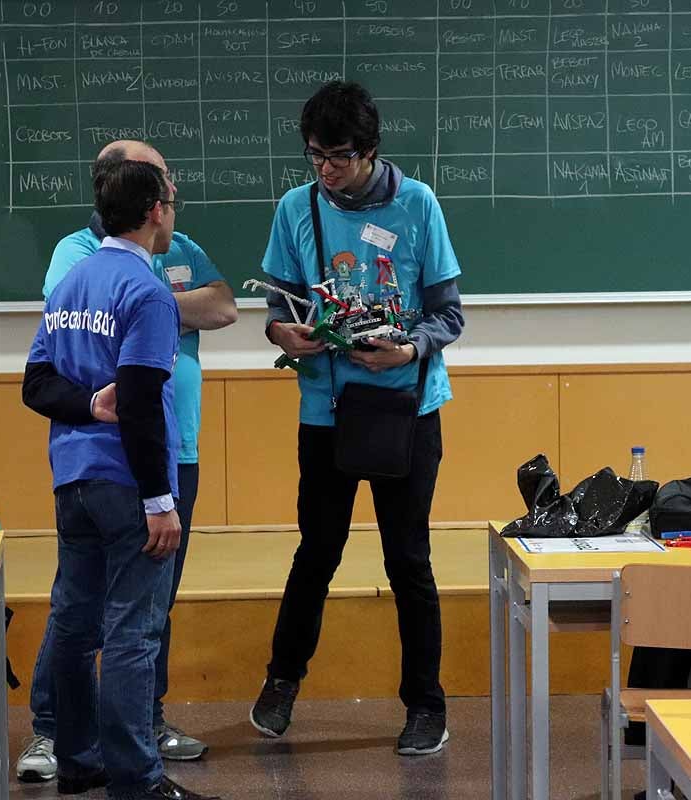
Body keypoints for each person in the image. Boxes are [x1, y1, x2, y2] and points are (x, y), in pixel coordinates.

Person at [249, 80, 465, 756]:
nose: (326, 170)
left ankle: (426, 705)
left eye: (339, 156)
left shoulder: (417, 205)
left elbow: (449, 315)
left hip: (405, 408)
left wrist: (407, 347)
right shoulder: (297, 208)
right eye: (315, 156)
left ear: (369, 151)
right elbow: (277, 312)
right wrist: (286, 336)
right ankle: (282, 681)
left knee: (408, 559)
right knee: (317, 551)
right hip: (326, 410)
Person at [17, 140, 237, 782]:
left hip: (73, 480)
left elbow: (35, 384)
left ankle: (79, 762)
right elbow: (141, 399)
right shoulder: (145, 289)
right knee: (133, 634)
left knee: (79, 625)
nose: (174, 210)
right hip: (128, 482)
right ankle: (136, 779)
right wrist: (158, 501)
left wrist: (87, 405)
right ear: (153, 211)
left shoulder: (74, 284)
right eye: (170, 200)